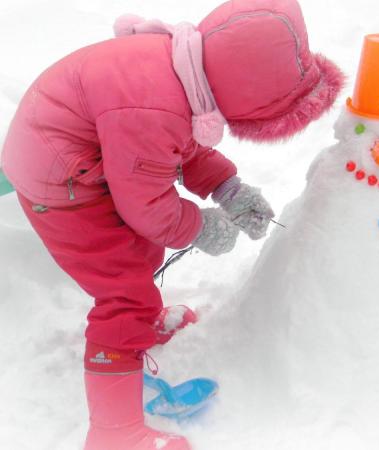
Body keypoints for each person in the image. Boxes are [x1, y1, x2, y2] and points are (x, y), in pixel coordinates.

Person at [0, 0, 343, 448]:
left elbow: (182, 145)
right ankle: (114, 434)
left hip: (80, 162)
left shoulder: (182, 71)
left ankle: (142, 321)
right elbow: (145, 205)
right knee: (123, 291)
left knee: (140, 253)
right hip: (61, 187)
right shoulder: (153, 107)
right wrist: (202, 228)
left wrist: (229, 189)